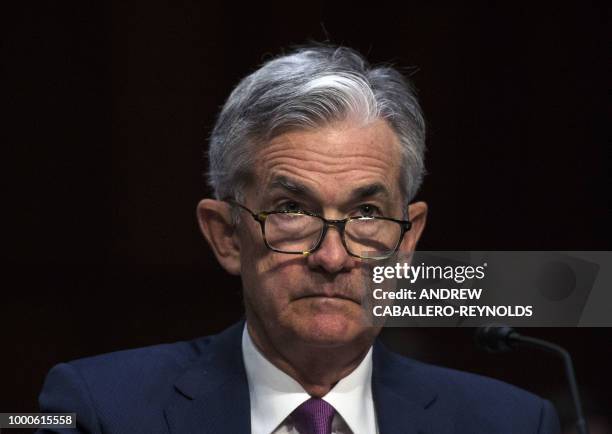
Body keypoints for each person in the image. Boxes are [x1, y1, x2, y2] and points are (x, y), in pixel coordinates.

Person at [38, 45, 560, 434]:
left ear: (406, 240)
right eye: (292, 209)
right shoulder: (93, 408)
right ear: (226, 236)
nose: (332, 258)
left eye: (367, 213)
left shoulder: (512, 422)